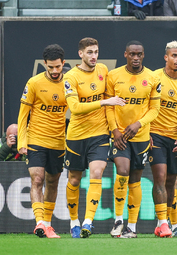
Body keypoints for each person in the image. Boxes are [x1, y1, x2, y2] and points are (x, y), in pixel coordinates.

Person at [63, 38, 125, 238]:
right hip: (76, 135)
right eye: (89, 52)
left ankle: (88, 222)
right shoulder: (71, 77)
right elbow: (75, 108)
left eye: (96, 52)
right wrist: (104, 101)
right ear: (80, 54)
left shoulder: (103, 71)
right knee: (74, 179)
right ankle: (74, 221)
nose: (94, 56)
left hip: (99, 134)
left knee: (97, 173)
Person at [108, 40, 161, 238]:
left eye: (139, 54)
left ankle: (132, 226)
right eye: (132, 54)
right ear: (126, 55)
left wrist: (138, 123)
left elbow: (155, 109)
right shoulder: (114, 75)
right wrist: (115, 131)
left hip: (141, 137)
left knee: (136, 180)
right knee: (122, 171)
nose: (136, 58)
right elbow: (110, 107)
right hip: (121, 136)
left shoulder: (153, 77)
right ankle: (118, 220)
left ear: (143, 55)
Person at [17, 44, 67, 238]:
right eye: (50, 67)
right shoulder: (34, 83)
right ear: (44, 64)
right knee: (37, 179)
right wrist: (22, 141)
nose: (54, 71)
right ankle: (39, 223)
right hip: (36, 138)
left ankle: (47, 223)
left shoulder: (70, 83)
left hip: (58, 141)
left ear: (63, 63)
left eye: (58, 67)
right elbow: (23, 115)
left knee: (53, 182)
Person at [150, 41, 177, 238]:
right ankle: (165, 224)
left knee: (174, 182)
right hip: (155, 136)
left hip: (176, 138)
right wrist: (145, 134)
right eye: (174, 56)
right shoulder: (153, 78)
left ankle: (167, 220)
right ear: (166, 57)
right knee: (160, 177)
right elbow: (144, 107)